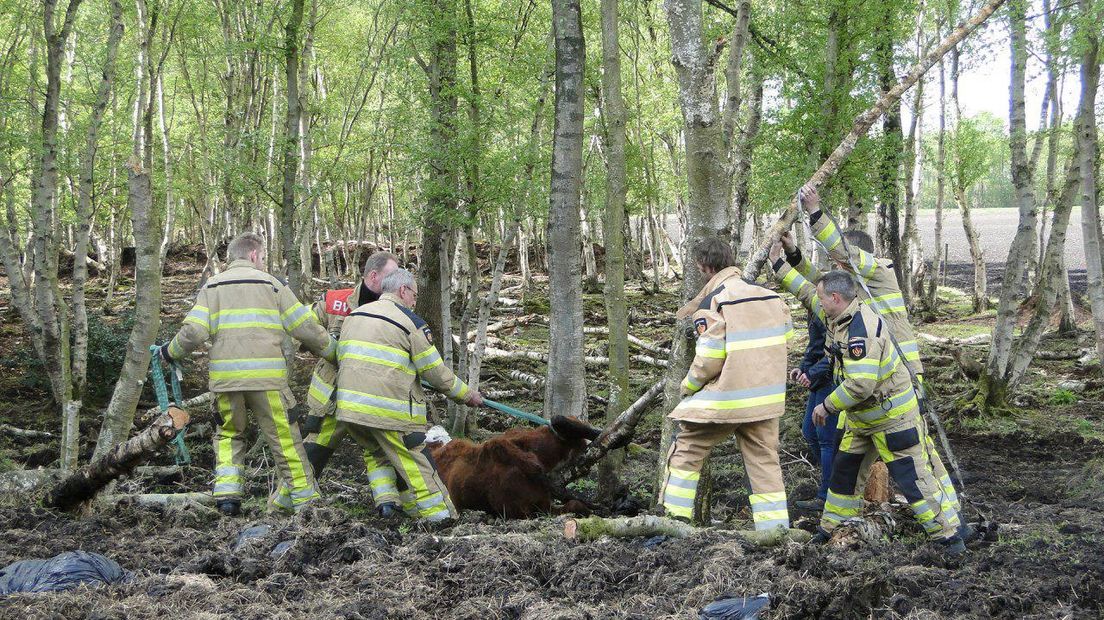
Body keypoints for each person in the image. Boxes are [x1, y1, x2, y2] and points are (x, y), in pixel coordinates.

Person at [793, 184, 966, 539]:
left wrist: (814, 211)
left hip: (897, 385)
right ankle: (836, 526)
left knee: (917, 466)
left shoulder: (879, 275)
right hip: (870, 396)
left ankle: (951, 530)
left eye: (841, 261)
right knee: (852, 469)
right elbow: (818, 284)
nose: (835, 265)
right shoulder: (851, 292)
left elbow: (838, 252)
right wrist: (790, 256)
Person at [768, 247, 965, 555]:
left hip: (891, 419)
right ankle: (831, 527)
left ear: (835, 299)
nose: (817, 303)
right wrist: (778, 263)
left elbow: (860, 384)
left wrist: (826, 405)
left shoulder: (862, 330)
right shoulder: (836, 313)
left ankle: (948, 537)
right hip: (861, 421)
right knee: (843, 476)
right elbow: (806, 291)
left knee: (914, 480)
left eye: (823, 299)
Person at [160, 232, 337, 516]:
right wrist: (334, 353)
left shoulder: (212, 286)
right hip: (268, 382)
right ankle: (307, 501)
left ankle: (228, 499)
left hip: (226, 381)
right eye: (264, 257)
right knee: (284, 439)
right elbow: (305, 327)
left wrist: (169, 352)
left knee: (229, 434)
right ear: (254, 255)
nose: (264, 262)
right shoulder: (274, 285)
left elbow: (193, 331)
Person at [659, 238, 793, 531]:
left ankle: (673, 522)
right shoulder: (770, 297)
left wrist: (689, 386)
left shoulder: (714, 301)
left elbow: (709, 357)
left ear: (704, 267)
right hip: (766, 401)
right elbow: (786, 335)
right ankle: (775, 532)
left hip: (729, 398)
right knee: (764, 462)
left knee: (686, 447)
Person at [334, 268, 484, 523]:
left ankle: (387, 506)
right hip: (389, 409)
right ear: (402, 290)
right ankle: (442, 517)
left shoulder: (354, 315)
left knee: (376, 454)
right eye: (414, 295)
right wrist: (466, 395)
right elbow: (434, 371)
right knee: (417, 462)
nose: (415, 301)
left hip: (349, 408)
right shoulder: (409, 323)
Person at [280, 251, 416, 517]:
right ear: (373, 276)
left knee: (379, 449)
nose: (397, 282)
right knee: (314, 450)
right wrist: (324, 347)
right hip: (333, 396)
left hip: (375, 395)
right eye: (391, 274)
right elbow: (301, 327)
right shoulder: (335, 301)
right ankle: (287, 504)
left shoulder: (400, 306)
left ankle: (389, 505)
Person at [792, 310, 838, 511]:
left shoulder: (833, 312)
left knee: (826, 439)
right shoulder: (815, 308)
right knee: (809, 432)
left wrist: (811, 373)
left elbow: (835, 354)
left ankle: (827, 494)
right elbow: (816, 347)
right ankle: (835, 479)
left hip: (830, 379)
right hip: (818, 380)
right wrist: (803, 368)